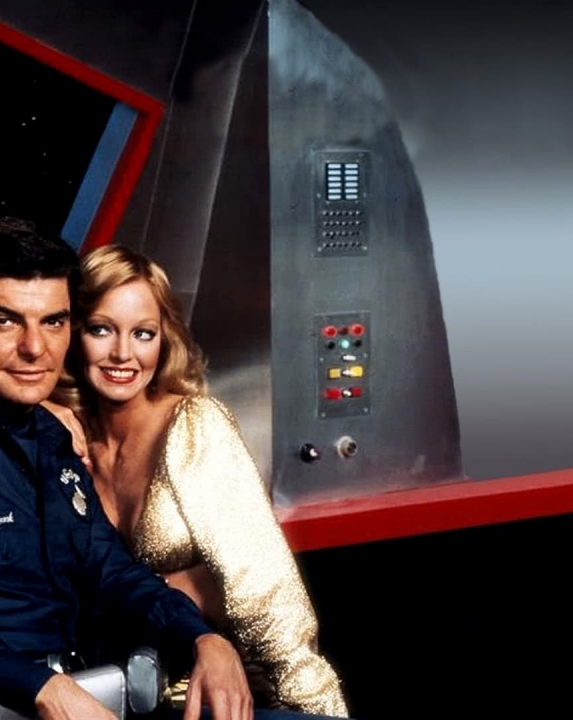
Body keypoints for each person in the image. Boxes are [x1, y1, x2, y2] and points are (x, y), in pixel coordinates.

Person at [0, 217, 339, 720]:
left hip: (105, 696)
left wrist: (203, 638)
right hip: (6, 706)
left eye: (53, 322)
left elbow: (112, 571)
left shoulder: (54, 439)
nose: (35, 348)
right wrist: (42, 688)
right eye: (5, 321)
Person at [52, 244, 350, 717]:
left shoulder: (194, 426)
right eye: (101, 329)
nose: (122, 353)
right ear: (72, 333)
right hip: (116, 696)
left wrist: (315, 711)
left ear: (164, 339)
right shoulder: (62, 438)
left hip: (228, 694)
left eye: (143, 333)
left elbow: (270, 600)